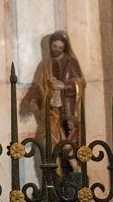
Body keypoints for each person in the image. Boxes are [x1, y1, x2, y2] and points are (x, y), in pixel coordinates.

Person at [22, 31, 86, 176]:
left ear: (64, 47)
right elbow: (37, 86)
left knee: (69, 142)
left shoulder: (71, 62)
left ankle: (74, 171)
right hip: (51, 111)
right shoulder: (44, 65)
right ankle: (56, 178)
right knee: (51, 143)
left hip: (68, 111)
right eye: (54, 46)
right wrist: (32, 100)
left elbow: (80, 83)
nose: (56, 49)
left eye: (59, 47)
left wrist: (64, 85)